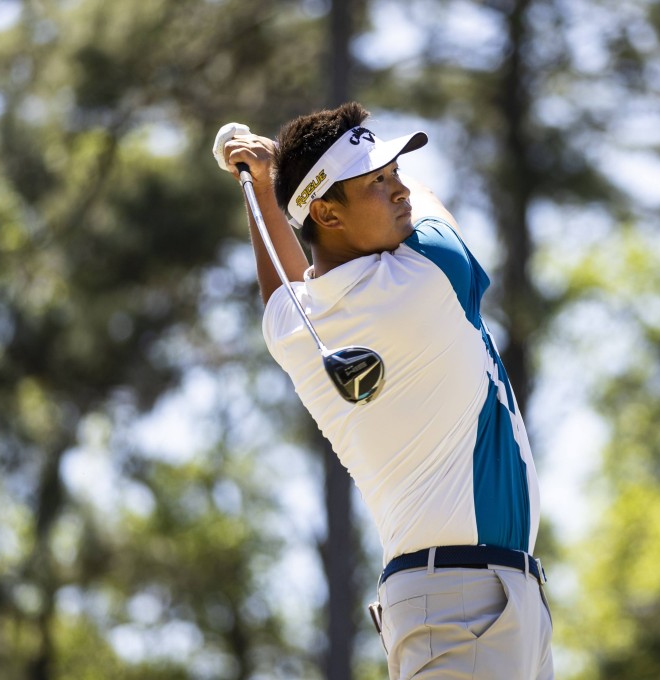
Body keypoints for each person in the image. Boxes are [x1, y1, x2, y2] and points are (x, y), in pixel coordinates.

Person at [213, 102, 553, 680]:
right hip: (464, 603)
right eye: (377, 180)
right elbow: (428, 203)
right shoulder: (430, 270)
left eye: (395, 172)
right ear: (326, 212)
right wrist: (272, 180)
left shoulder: (295, 331)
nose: (400, 189)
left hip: (470, 598)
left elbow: (284, 294)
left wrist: (268, 189)